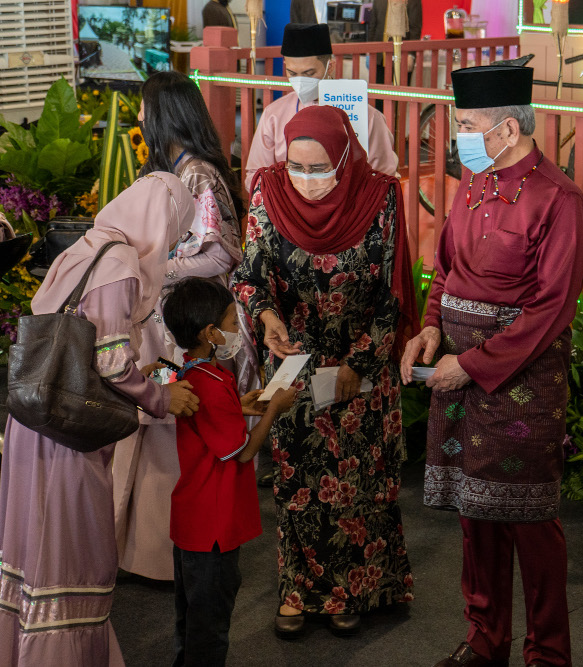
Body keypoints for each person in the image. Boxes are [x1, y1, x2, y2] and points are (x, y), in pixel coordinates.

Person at [401, 64, 583, 667]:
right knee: (475, 514)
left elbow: (550, 308)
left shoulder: (559, 199)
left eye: (465, 125)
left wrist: (476, 363)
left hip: (522, 384)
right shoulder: (475, 182)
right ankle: (485, 639)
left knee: (530, 521)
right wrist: (431, 325)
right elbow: (447, 268)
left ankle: (547, 652)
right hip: (459, 375)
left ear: (506, 128)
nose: (456, 137)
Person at [0, 173, 199, 666]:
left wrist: (133, 368)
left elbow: (85, 341)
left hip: (34, 416)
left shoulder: (87, 244)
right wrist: (158, 397)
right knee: (71, 548)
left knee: (29, 545)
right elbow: (110, 362)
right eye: (177, 229)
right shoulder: (123, 262)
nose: (172, 242)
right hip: (70, 427)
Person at [233, 104, 417, 638]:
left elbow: (393, 293)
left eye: (320, 169)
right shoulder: (269, 192)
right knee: (297, 482)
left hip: (362, 363)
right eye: (298, 167)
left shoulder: (379, 196)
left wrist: (359, 360)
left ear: (344, 157)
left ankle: (351, 589)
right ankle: (298, 589)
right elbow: (249, 275)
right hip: (292, 361)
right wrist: (266, 317)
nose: (307, 182)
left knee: (357, 480)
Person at [113, 71, 249, 583]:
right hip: (161, 317)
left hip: (182, 324)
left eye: (146, 108)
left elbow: (220, 253)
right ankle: (149, 550)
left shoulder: (198, 176)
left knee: (174, 429)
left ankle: (173, 551)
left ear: (165, 114)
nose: (141, 118)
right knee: (157, 427)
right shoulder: (174, 169)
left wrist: (154, 270)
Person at [162, 277, 297, 666]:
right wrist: (273, 409)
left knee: (190, 619)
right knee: (211, 625)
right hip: (214, 526)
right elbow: (241, 454)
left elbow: (211, 416)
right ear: (210, 332)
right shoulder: (213, 383)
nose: (237, 331)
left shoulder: (192, 372)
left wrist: (243, 406)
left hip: (193, 519)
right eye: (233, 324)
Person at [244, 23, 398, 192]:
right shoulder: (274, 115)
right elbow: (255, 176)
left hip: (351, 212)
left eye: (309, 73)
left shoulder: (366, 116)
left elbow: (384, 177)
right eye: (292, 74)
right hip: (288, 211)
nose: (300, 81)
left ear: (329, 67)